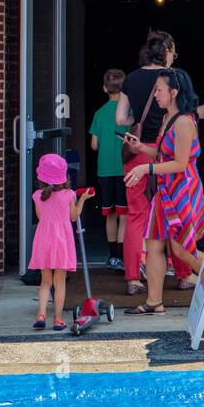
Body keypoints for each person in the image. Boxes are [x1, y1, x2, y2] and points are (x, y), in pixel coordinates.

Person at [121, 69, 204, 316]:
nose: (155, 94)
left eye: (159, 90)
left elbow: (179, 163)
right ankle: (154, 301)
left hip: (182, 192)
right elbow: (164, 155)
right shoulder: (170, 118)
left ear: (174, 92)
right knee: (153, 244)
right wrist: (141, 147)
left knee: (182, 249)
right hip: (165, 191)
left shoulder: (185, 121)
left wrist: (146, 168)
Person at [116, 30, 204, 293]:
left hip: (138, 152)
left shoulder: (131, 78)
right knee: (171, 215)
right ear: (166, 53)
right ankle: (183, 274)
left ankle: (133, 278)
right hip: (164, 152)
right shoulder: (173, 78)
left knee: (136, 216)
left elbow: (121, 119)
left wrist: (138, 121)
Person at [28, 153, 92, 331]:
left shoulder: (37, 196)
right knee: (60, 282)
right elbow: (73, 217)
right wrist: (83, 200)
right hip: (62, 242)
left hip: (43, 241)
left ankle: (41, 314)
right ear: (63, 177)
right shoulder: (69, 195)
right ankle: (57, 319)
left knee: (45, 282)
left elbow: (40, 216)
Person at [88, 68, 131, 270]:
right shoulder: (129, 113)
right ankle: (123, 256)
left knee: (110, 213)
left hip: (105, 170)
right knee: (124, 213)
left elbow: (94, 145)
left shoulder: (99, 113)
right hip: (125, 169)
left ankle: (113, 256)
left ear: (105, 88)